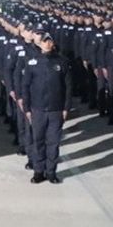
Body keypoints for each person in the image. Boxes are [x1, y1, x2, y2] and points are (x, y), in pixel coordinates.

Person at [20, 30, 72, 184]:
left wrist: (66, 108)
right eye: (44, 41)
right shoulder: (32, 62)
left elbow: (68, 87)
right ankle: (38, 172)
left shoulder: (62, 62)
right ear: (39, 43)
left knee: (53, 142)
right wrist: (27, 109)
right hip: (38, 110)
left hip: (56, 110)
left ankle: (51, 172)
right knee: (39, 142)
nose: (47, 43)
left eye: (50, 41)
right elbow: (26, 87)